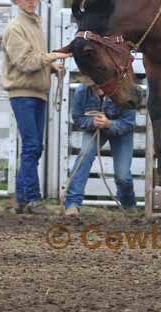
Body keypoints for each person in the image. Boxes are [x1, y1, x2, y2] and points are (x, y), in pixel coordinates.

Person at [1, 0, 72, 214]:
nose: (32, 2)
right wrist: (52, 58)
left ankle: (22, 199)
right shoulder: (15, 28)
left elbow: (33, 59)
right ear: (18, 1)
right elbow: (26, 62)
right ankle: (31, 198)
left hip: (34, 92)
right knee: (32, 146)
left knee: (33, 147)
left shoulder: (31, 25)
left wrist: (51, 67)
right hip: (23, 93)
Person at [63, 82, 137, 218]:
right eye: (94, 86)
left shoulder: (125, 90)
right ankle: (72, 204)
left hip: (121, 131)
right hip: (95, 128)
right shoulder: (82, 91)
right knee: (83, 158)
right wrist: (92, 122)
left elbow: (128, 123)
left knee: (123, 175)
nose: (97, 89)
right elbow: (78, 118)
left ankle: (128, 205)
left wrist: (109, 124)